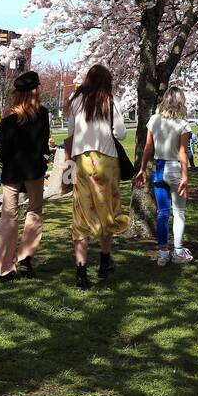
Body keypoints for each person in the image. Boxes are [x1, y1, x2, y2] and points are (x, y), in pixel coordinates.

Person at [65, 64, 130, 289]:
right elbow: (120, 133)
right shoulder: (110, 102)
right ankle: (104, 262)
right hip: (106, 162)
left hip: (83, 162)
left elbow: (70, 133)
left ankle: (81, 274)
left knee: (82, 214)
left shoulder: (75, 102)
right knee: (108, 210)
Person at [0, 71, 50, 282]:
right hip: (34, 169)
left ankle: (5, 268)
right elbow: (44, 143)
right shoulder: (42, 114)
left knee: (9, 215)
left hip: (12, 171)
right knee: (34, 211)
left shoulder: (8, 117)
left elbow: (3, 150)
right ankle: (25, 257)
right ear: (35, 91)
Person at [134, 86, 192, 266]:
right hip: (175, 169)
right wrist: (185, 176)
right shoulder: (182, 124)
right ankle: (178, 251)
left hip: (159, 169)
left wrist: (142, 168)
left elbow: (148, 148)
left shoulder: (154, 120)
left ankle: (162, 252)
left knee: (163, 213)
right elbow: (183, 153)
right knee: (179, 212)